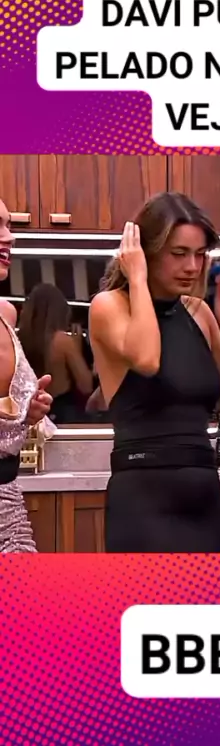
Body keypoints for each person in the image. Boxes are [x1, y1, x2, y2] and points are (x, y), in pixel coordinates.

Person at [89, 192, 220, 553]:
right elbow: (147, 359)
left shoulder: (199, 312)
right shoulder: (109, 307)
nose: (192, 266)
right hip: (144, 498)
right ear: (144, 252)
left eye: (200, 254)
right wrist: (138, 278)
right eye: (179, 253)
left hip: (204, 496)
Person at [0, 199, 54, 552]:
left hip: (7, 506)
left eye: (8, 225)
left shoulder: (6, 314)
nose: (9, 236)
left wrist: (26, 414)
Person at [18, 283, 93, 423]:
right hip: (61, 411)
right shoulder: (62, 341)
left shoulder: (18, 340)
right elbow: (86, 386)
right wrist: (77, 348)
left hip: (29, 411)